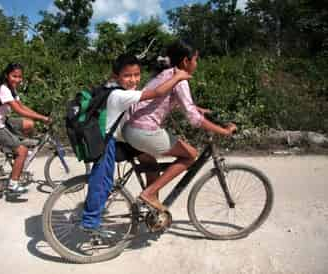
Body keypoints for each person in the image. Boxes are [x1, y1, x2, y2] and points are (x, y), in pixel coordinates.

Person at [81, 53, 191, 232]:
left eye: (137, 74)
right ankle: (148, 197)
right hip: (113, 142)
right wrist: (178, 76)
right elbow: (157, 92)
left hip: (119, 138)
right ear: (116, 76)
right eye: (127, 75)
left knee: (150, 162)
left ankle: (152, 205)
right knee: (103, 181)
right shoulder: (119, 95)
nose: (133, 80)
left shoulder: (113, 88)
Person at [122, 40, 237, 212]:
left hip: (129, 130)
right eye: (195, 60)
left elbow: (166, 100)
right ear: (185, 61)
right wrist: (223, 131)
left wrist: (197, 108)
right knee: (190, 155)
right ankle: (149, 194)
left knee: (152, 167)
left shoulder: (164, 73)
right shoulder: (179, 79)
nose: (196, 64)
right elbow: (194, 119)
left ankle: (152, 213)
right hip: (144, 132)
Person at [0, 63, 51, 193]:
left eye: (20, 77)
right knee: (23, 151)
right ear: (7, 75)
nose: (17, 80)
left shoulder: (11, 88)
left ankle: (15, 150)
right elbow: (19, 111)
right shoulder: (3, 89)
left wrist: (40, 116)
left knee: (29, 124)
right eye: (14, 76)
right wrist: (43, 118)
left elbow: (22, 106)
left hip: (2, 121)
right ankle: (13, 183)